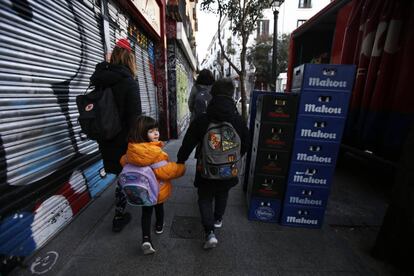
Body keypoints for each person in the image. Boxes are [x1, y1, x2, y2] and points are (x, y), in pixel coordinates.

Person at [177, 78, 250, 249]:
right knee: (223, 193)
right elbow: (246, 142)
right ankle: (218, 219)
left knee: (204, 197)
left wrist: (180, 160)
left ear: (212, 93)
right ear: (232, 94)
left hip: (206, 169)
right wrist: (234, 157)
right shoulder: (238, 120)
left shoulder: (203, 120)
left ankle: (209, 233)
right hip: (229, 168)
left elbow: (188, 143)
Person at [90, 38, 141, 232]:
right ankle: (120, 215)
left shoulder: (102, 81)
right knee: (126, 175)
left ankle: (122, 209)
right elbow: (135, 120)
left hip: (106, 138)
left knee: (121, 175)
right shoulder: (129, 83)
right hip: (124, 141)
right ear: (130, 59)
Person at [120, 116, 186, 254]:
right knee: (159, 207)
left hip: (141, 190)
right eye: (151, 131)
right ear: (142, 133)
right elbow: (166, 172)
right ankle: (159, 226)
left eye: (156, 130)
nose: (156, 133)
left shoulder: (131, 150)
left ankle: (146, 239)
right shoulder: (155, 153)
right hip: (157, 189)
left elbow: (123, 162)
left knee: (146, 212)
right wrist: (181, 168)